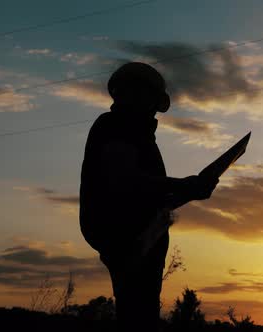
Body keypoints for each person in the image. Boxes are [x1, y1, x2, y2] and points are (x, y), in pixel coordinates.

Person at [79, 62, 218, 332]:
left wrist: (190, 190)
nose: (154, 109)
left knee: (138, 313)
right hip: (127, 237)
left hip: (141, 238)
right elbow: (123, 180)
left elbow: (149, 194)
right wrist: (184, 184)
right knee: (137, 316)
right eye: (151, 99)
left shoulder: (135, 134)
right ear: (135, 94)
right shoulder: (118, 125)